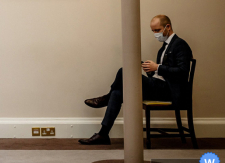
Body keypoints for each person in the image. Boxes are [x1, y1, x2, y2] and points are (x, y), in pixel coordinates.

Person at [79, 15, 192, 145]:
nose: (155, 34)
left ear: (168, 27)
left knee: (123, 71)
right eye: (153, 31)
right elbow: (162, 73)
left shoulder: (180, 45)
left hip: (169, 91)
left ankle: (105, 98)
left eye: (157, 30)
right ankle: (103, 134)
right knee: (117, 94)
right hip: (159, 86)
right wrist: (151, 70)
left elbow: (183, 73)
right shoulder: (164, 47)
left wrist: (158, 67)